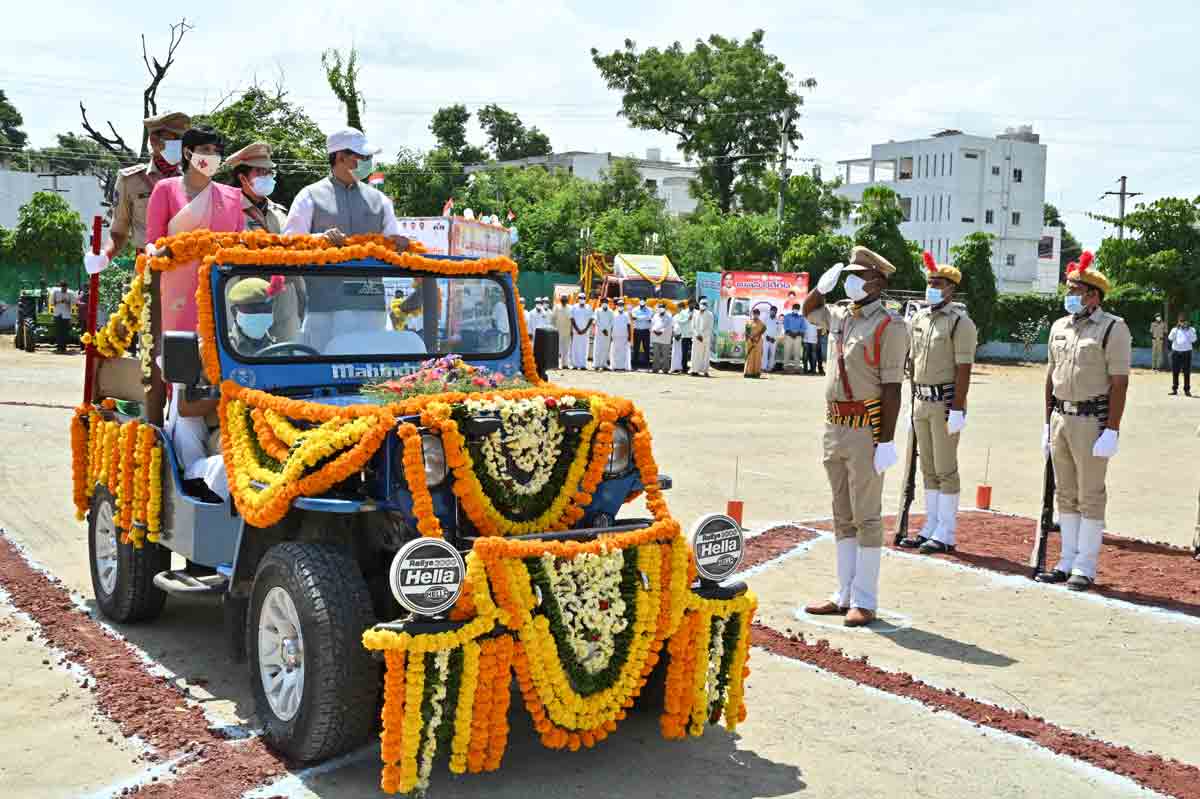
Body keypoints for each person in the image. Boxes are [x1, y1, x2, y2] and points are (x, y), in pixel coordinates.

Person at [802, 247, 908, 626]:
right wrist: (820, 287)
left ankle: (865, 598)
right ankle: (843, 593)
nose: (850, 281)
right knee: (842, 514)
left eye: (857, 275)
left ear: (877, 281)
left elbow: (893, 389)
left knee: (867, 515)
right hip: (835, 426)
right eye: (848, 275)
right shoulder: (842, 316)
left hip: (866, 427)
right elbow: (808, 311)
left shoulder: (890, 326)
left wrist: (886, 441)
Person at [1035, 251, 1131, 591]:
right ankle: (1066, 560)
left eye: (1075, 289)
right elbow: (1051, 376)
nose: (1069, 294)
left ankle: (1085, 566)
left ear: (1093, 294)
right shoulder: (1059, 326)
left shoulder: (1112, 329)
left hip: (1092, 421)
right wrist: (1046, 423)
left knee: (1090, 494)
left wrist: (1112, 429)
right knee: (1065, 493)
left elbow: (1119, 382)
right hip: (1061, 416)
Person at [898, 252, 978, 554]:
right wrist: (911, 401)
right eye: (930, 281)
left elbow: (964, 369)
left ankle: (946, 530)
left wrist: (957, 408)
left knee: (946, 468)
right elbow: (913, 362)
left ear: (951, 289)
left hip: (945, 402)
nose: (932, 287)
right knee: (928, 467)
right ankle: (931, 524)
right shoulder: (919, 317)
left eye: (938, 283)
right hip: (920, 400)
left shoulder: (960, 324)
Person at [145, 126, 245, 335]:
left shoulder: (233, 196)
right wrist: (153, 252)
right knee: (177, 356)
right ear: (188, 152)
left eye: (217, 151)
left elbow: (241, 246)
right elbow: (152, 241)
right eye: (206, 149)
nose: (213, 155)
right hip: (175, 288)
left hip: (217, 288)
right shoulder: (166, 189)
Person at [90, 111, 190, 271]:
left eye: (182, 139)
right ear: (153, 140)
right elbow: (119, 230)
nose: (179, 144)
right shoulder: (130, 180)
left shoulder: (192, 180)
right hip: (148, 268)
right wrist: (105, 255)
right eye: (173, 138)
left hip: (187, 268)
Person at [283, 128, 409, 251]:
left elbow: (395, 240)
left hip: (371, 272)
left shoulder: (380, 199)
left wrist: (400, 242)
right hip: (322, 271)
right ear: (340, 157)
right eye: (364, 157)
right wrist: (320, 239)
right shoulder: (309, 196)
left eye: (370, 157)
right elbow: (290, 242)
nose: (369, 162)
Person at [226, 142, 287, 233]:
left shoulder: (279, 211)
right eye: (260, 171)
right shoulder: (228, 212)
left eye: (269, 171)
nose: (267, 176)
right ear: (243, 178)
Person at [1169, 315, 1196, 396]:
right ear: (1178, 322)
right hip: (1176, 352)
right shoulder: (1175, 329)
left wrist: (1189, 331)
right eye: (1181, 321)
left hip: (1187, 353)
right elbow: (1170, 338)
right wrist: (1175, 331)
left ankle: (1187, 390)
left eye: (1184, 321)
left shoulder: (1191, 329)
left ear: (1187, 322)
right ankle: (1174, 389)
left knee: (1186, 372)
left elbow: (1194, 340)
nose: (1183, 323)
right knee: (1175, 371)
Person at [49, 280, 78, 353]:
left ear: (67, 287)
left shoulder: (70, 293)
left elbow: (73, 304)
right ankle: (59, 347)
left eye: (65, 288)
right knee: (58, 331)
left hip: (66, 315)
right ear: (60, 287)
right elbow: (51, 303)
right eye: (62, 288)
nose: (64, 289)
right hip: (57, 313)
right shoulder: (55, 292)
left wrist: (67, 302)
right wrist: (59, 301)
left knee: (65, 332)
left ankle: (63, 347)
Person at [690, 298, 715, 377]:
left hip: (705, 338)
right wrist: (697, 335)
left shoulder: (710, 314)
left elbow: (710, 327)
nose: (703, 306)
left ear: (707, 305)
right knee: (695, 354)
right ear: (699, 304)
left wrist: (702, 336)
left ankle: (705, 371)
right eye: (702, 304)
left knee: (705, 355)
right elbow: (692, 326)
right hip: (696, 337)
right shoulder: (695, 313)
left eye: (705, 304)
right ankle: (694, 370)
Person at [570, 295, 593, 369]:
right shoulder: (574, 307)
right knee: (575, 348)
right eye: (580, 298)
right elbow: (572, 319)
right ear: (578, 299)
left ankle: (583, 365)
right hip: (576, 332)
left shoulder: (589, 307)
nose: (582, 299)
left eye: (583, 298)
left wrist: (585, 329)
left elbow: (591, 319)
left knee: (584, 348)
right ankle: (575, 365)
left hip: (585, 332)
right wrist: (577, 329)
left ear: (585, 299)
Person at [782, 304, 807, 371]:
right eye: (795, 308)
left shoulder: (801, 317)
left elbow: (803, 327)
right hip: (788, 336)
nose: (796, 309)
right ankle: (785, 366)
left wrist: (797, 333)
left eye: (797, 308)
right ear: (792, 308)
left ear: (799, 309)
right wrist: (791, 333)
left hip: (798, 337)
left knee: (797, 353)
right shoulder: (787, 316)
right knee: (787, 352)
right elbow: (785, 326)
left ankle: (797, 367)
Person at [744, 309, 766, 379]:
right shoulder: (748, 322)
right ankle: (748, 372)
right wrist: (749, 338)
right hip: (750, 341)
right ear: (752, 314)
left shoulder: (762, 323)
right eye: (754, 313)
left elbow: (763, 331)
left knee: (757, 357)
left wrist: (756, 338)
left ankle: (756, 373)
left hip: (758, 342)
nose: (755, 315)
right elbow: (746, 332)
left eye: (757, 314)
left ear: (759, 315)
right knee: (750, 357)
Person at [611, 299, 633, 371]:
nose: (621, 306)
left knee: (624, 351)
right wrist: (610, 335)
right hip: (615, 335)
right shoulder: (613, 313)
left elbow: (628, 325)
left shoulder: (626, 314)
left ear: (624, 306)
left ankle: (624, 366)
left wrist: (629, 336)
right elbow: (611, 325)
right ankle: (615, 366)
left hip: (624, 335)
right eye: (619, 305)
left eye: (622, 305)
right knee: (615, 351)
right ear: (617, 305)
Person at [650, 303, 672, 374]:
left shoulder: (669, 316)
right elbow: (652, 325)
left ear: (665, 308)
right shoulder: (655, 315)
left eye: (662, 307)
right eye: (659, 307)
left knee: (665, 355)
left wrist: (661, 332)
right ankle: (655, 368)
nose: (661, 308)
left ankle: (665, 369)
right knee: (656, 354)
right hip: (655, 338)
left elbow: (668, 326)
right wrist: (654, 331)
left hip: (665, 338)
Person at [632, 298, 653, 370]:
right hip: (637, 331)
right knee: (636, 348)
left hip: (646, 331)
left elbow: (649, 317)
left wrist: (639, 318)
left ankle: (647, 364)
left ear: (646, 301)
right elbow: (634, 317)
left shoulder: (650, 309)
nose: (642, 302)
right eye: (641, 300)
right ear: (639, 301)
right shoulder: (634, 309)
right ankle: (635, 365)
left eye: (643, 300)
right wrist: (645, 318)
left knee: (646, 348)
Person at [553, 295, 572, 369]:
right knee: (557, 349)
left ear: (567, 301)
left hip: (567, 331)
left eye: (565, 300)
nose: (564, 301)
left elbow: (572, 319)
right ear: (560, 300)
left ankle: (565, 364)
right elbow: (553, 318)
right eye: (562, 300)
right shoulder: (557, 307)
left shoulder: (570, 308)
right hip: (558, 330)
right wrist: (553, 329)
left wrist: (571, 330)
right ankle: (556, 364)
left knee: (566, 348)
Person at [594, 298, 614, 370]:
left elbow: (612, 322)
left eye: (606, 302)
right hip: (599, 332)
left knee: (605, 348)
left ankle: (604, 364)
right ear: (601, 303)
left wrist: (608, 330)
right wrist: (603, 329)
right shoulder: (597, 310)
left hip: (607, 333)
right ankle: (596, 364)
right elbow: (596, 321)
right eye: (603, 302)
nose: (605, 303)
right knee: (598, 348)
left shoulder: (611, 311)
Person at [675, 300, 694, 372]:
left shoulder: (697, 312)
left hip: (693, 335)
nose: (692, 305)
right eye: (691, 304)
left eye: (693, 304)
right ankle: (684, 368)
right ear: (688, 304)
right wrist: (687, 319)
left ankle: (694, 368)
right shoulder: (683, 312)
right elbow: (679, 321)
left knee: (694, 353)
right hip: (685, 335)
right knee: (684, 353)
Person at [763, 306, 783, 372]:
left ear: (776, 312)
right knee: (765, 353)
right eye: (772, 310)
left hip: (774, 340)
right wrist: (766, 336)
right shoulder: (765, 319)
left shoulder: (778, 320)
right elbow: (763, 329)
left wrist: (774, 338)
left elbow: (779, 331)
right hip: (766, 339)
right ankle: (764, 367)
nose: (773, 312)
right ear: (770, 311)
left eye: (775, 311)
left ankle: (770, 367)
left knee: (772, 354)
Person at [802, 309, 821, 374]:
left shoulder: (816, 319)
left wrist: (818, 339)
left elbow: (819, 330)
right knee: (807, 354)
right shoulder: (804, 318)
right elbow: (802, 328)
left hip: (813, 339)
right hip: (807, 339)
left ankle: (812, 370)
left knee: (812, 354)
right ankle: (807, 369)